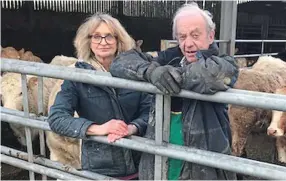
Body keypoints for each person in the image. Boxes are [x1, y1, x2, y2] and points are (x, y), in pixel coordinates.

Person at [109, 2, 239, 180]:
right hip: (161, 159)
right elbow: (120, 63)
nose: (188, 44)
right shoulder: (168, 58)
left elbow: (210, 76)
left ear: (211, 35)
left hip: (202, 166)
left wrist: (168, 77)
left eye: (195, 35)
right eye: (182, 36)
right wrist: (151, 72)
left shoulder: (224, 62)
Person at [47, 13, 152, 180]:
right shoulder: (78, 76)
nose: (103, 42)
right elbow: (57, 118)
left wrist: (132, 127)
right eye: (96, 36)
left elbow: (150, 110)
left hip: (139, 164)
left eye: (109, 36)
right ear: (88, 41)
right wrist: (99, 128)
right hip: (100, 168)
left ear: (119, 40)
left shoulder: (134, 73)